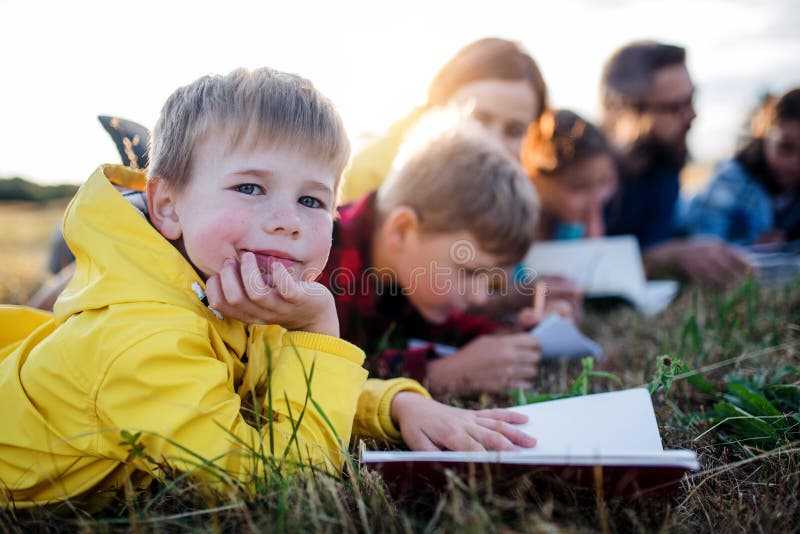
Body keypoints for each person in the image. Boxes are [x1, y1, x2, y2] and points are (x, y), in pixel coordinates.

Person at [0, 68, 536, 509]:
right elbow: (282, 483)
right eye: (250, 187)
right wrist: (317, 327)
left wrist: (397, 406)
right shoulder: (142, 340)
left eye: (312, 200)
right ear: (166, 205)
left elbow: (270, 384)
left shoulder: (222, 288)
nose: (288, 221)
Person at [207, 118, 546, 397]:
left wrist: (505, 335)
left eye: (489, 280)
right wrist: (441, 375)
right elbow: (297, 372)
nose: (478, 295)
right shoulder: (314, 264)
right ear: (402, 230)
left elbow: (438, 327)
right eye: (470, 272)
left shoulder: (408, 272)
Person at [599, 40, 752, 287]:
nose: (692, 115)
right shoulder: (584, 172)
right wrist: (670, 256)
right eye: (675, 107)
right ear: (627, 111)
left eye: (691, 100)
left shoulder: (664, 166)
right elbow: (580, 266)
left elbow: (654, 246)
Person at [340, 37, 548, 203]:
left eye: (514, 131)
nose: (494, 143)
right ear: (440, 100)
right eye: (478, 120)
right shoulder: (369, 180)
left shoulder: (522, 196)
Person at [685, 88, 800, 244]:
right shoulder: (730, 181)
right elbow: (703, 242)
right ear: (764, 136)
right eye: (785, 148)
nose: (795, 162)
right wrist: (753, 247)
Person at [520, 109, 618, 241]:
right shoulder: (515, 226)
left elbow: (594, 249)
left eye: (603, 181)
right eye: (580, 187)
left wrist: (593, 220)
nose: (595, 198)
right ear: (536, 180)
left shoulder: (572, 225)